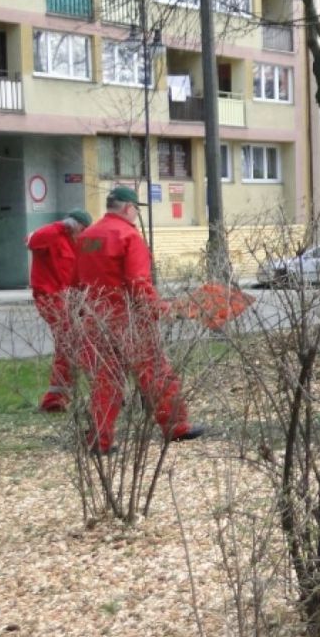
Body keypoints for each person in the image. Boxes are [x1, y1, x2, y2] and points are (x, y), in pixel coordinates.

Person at [73, 186, 205, 453]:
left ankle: (100, 441)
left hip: (96, 319)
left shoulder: (87, 236)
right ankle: (175, 427)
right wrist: (160, 309)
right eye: (135, 210)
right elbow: (137, 283)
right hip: (129, 320)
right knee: (157, 374)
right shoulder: (128, 236)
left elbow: (77, 281)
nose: (135, 215)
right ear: (128, 208)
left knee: (105, 382)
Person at [28, 208, 91, 412]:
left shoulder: (77, 243)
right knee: (70, 343)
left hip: (71, 298)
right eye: (82, 230)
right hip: (51, 298)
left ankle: (59, 397)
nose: (82, 235)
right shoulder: (52, 235)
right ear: (74, 226)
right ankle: (55, 399)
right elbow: (33, 240)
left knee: (77, 343)